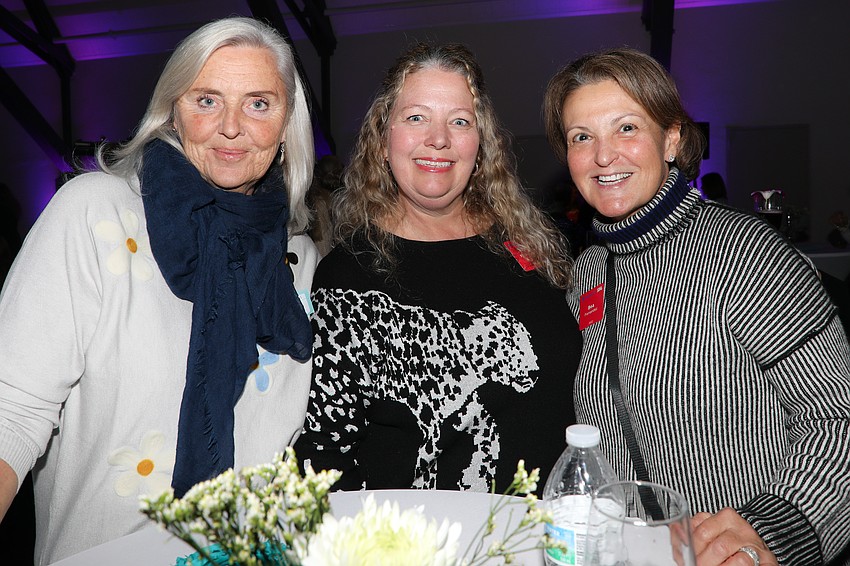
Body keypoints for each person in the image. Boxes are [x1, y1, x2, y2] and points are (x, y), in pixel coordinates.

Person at [0, 17, 318, 564]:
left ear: (288, 123)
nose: (232, 127)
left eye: (259, 103)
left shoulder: (299, 262)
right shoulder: (95, 214)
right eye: (207, 100)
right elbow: (11, 413)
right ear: (173, 111)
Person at [543, 47, 850, 566]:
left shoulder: (743, 253)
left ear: (672, 138)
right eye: (581, 137)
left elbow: (836, 419)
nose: (603, 155)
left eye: (626, 128)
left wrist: (775, 531)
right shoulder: (586, 274)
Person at [294, 43, 580, 494]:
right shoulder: (345, 280)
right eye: (416, 117)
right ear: (383, 139)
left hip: (555, 537)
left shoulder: (530, 244)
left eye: (460, 121)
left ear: (480, 143)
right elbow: (325, 459)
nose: (439, 138)